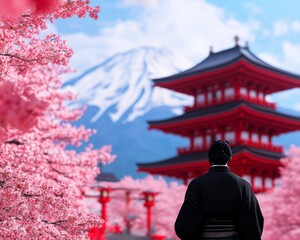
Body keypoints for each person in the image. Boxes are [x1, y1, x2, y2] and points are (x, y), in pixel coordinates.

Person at [174, 140, 264, 240]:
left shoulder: (196, 184)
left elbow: (184, 226)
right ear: (230, 158)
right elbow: (253, 224)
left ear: (209, 159)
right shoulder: (243, 185)